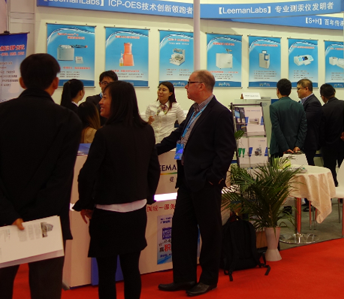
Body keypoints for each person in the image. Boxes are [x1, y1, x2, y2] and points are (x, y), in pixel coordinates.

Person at [0, 53, 81, 299]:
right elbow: (60, 180)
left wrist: (9, 214)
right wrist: (32, 217)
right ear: (55, 82)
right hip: (47, 223)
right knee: (45, 291)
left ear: (21, 82)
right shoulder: (68, 120)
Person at [75, 81, 160, 299]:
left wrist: (86, 203)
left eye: (105, 97)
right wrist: (147, 197)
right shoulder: (146, 130)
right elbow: (153, 170)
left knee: (107, 272)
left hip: (108, 214)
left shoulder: (105, 134)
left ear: (118, 102)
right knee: (132, 269)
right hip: (137, 212)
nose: (100, 102)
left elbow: (87, 174)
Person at [156, 70, 236, 297]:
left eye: (189, 83)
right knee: (181, 230)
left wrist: (212, 178)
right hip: (186, 180)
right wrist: (153, 149)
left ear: (201, 86)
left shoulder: (220, 113)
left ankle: (208, 279)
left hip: (205, 183)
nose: (185, 87)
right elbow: (179, 136)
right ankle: (184, 277)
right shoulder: (194, 109)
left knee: (210, 233)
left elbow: (225, 150)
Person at [269, 78, 307, 158]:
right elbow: (303, 128)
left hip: (278, 149)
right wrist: (298, 145)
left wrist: (285, 148)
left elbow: (277, 129)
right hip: (295, 149)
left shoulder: (274, 107)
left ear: (278, 90)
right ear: (290, 91)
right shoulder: (299, 106)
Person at [319, 84, 344, 185]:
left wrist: (321, 144)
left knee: (329, 170)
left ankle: (332, 189)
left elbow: (321, 130)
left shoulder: (323, 109)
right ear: (334, 92)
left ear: (323, 97)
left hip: (328, 145)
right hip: (343, 143)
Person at [296, 79, 322, 165]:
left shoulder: (313, 103)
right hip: (303, 142)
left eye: (299, 88)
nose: (297, 91)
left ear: (306, 89)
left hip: (309, 142)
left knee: (308, 166)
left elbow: (305, 120)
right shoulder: (301, 102)